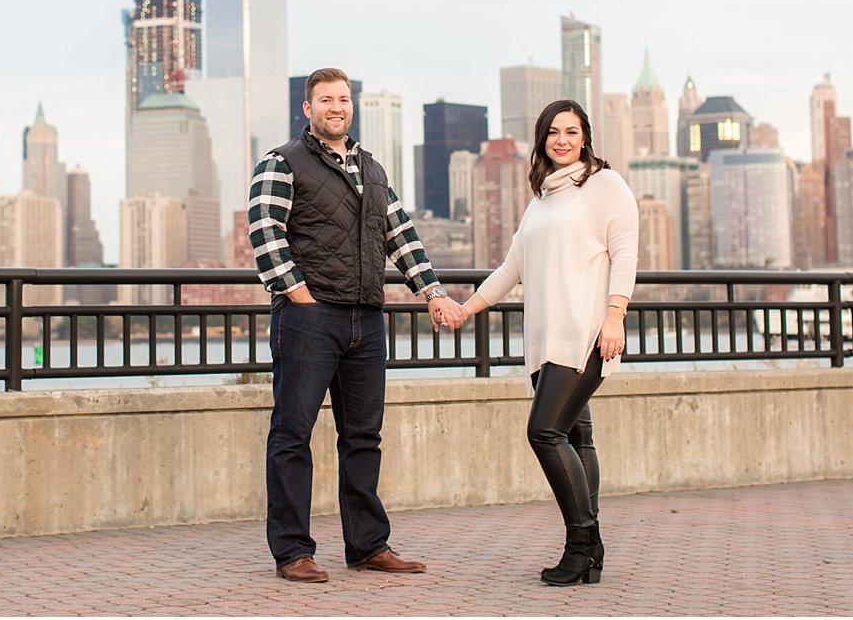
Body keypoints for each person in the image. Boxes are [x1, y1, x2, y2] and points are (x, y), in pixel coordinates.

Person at [249, 67, 466, 583]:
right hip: (309, 318)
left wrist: (432, 291)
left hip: (366, 319)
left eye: (343, 100)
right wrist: (298, 295)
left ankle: (369, 545)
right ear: (308, 109)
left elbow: (401, 235)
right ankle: (293, 552)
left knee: (364, 437)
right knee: (293, 434)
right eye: (325, 100)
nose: (336, 108)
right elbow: (264, 228)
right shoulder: (283, 162)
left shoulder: (372, 168)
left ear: (352, 107)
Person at [448, 98, 638, 586]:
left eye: (571, 132)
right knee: (576, 435)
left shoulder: (604, 184)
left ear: (585, 137)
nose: (562, 140)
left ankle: (582, 545)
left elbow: (625, 252)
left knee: (544, 432)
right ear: (542, 139)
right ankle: (589, 555)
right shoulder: (542, 198)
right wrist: (465, 309)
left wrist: (615, 314)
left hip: (585, 334)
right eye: (553, 132)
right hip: (545, 338)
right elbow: (511, 268)